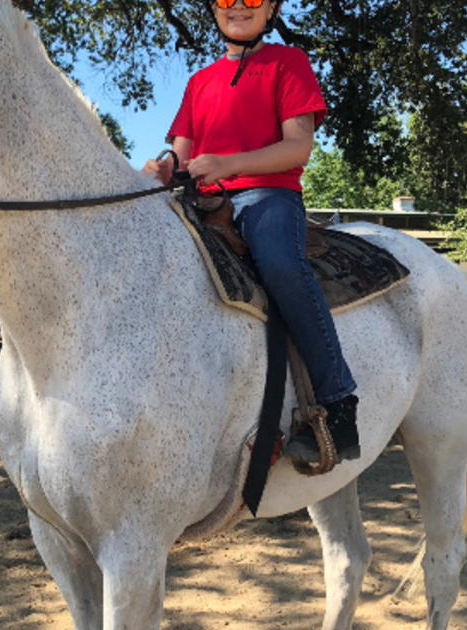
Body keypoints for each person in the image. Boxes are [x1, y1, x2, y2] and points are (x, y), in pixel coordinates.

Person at [143, 0, 360, 464]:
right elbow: (180, 157)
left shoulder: (288, 62)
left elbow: (297, 147)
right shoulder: (199, 82)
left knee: (281, 266)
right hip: (202, 199)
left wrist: (228, 164)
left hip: (267, 195)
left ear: (272, 7)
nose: (237, 6)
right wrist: (161, 169)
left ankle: (338, 402)